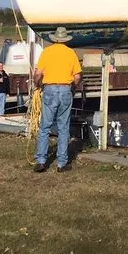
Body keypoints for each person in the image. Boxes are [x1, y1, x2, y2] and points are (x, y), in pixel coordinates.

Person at [32, 27, 81, 172]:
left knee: (45, 126)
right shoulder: (71, 53)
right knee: (63, 127)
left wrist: (38, 84)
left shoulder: (47, 52)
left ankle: (41, 161)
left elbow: (38, 73)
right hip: (65, 89)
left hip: (50, 89)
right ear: (66, 39)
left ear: (54, 39)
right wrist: (72, 88)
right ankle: (62, 163)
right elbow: (77, 77)